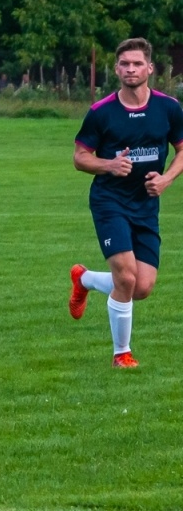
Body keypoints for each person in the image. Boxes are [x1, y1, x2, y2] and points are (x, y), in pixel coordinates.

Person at [67, 38, 183, 369]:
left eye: (136, 63)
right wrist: (109, 165)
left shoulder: (169, 108)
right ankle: (122, 354)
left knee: (142, 287)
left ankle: (85, 279)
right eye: (124, 64)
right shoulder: (101, 112)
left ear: (150, 68)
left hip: (146, 204)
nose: (130, 69)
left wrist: (166, 179)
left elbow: (182, 150)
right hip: (110, 201)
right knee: (126, 278)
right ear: (116, 69)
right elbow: (79, 158)